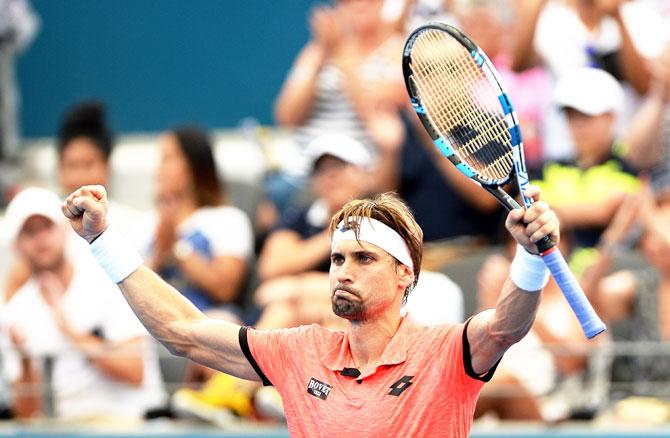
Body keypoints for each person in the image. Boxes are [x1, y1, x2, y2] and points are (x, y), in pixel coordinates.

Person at [62, 178, 560, 436]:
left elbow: (507, 325)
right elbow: (181, 330)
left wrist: (530, 257)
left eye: (364, 258)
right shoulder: (299, 352)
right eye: (337, 258)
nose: (343, 270)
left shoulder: (446, 350)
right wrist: (103, 239)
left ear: (405, 272)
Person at [0, 187, 164, 420]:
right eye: (29, 232)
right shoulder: (15, 312)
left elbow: (135, 371)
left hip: (130, 423)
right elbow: (25, 417)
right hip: (60, 430)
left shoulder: (109, 281)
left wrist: (71, 332)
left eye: (46, 227)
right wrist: (25, 360)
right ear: (16, 245)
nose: (40, 239)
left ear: (63, 231)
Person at [3, 100, 143, 302]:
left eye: (88, 164)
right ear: (59, 170)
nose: (80, 177)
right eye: (71, 166)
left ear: (106, 166)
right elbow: (13, 291)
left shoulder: (133, 225)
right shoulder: (46, 224)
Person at [147, 126, 253, 316]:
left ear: (193, 165)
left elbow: (225, 289)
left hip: (207, 320)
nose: (159, 169)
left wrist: (178, 250)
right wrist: (159, 255)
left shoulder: (227, 219)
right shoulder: (148, 222)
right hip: (153, 325)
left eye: (168, 159)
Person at [532, 67, 640, 249]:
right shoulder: (547, 168)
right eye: (571, 116)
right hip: (552, 268)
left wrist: (549, 211)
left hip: (603, 272)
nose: (578, 126)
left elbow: (604, 211)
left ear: (611, 117)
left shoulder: (628, 171)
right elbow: (523, 205)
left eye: (586, 116)